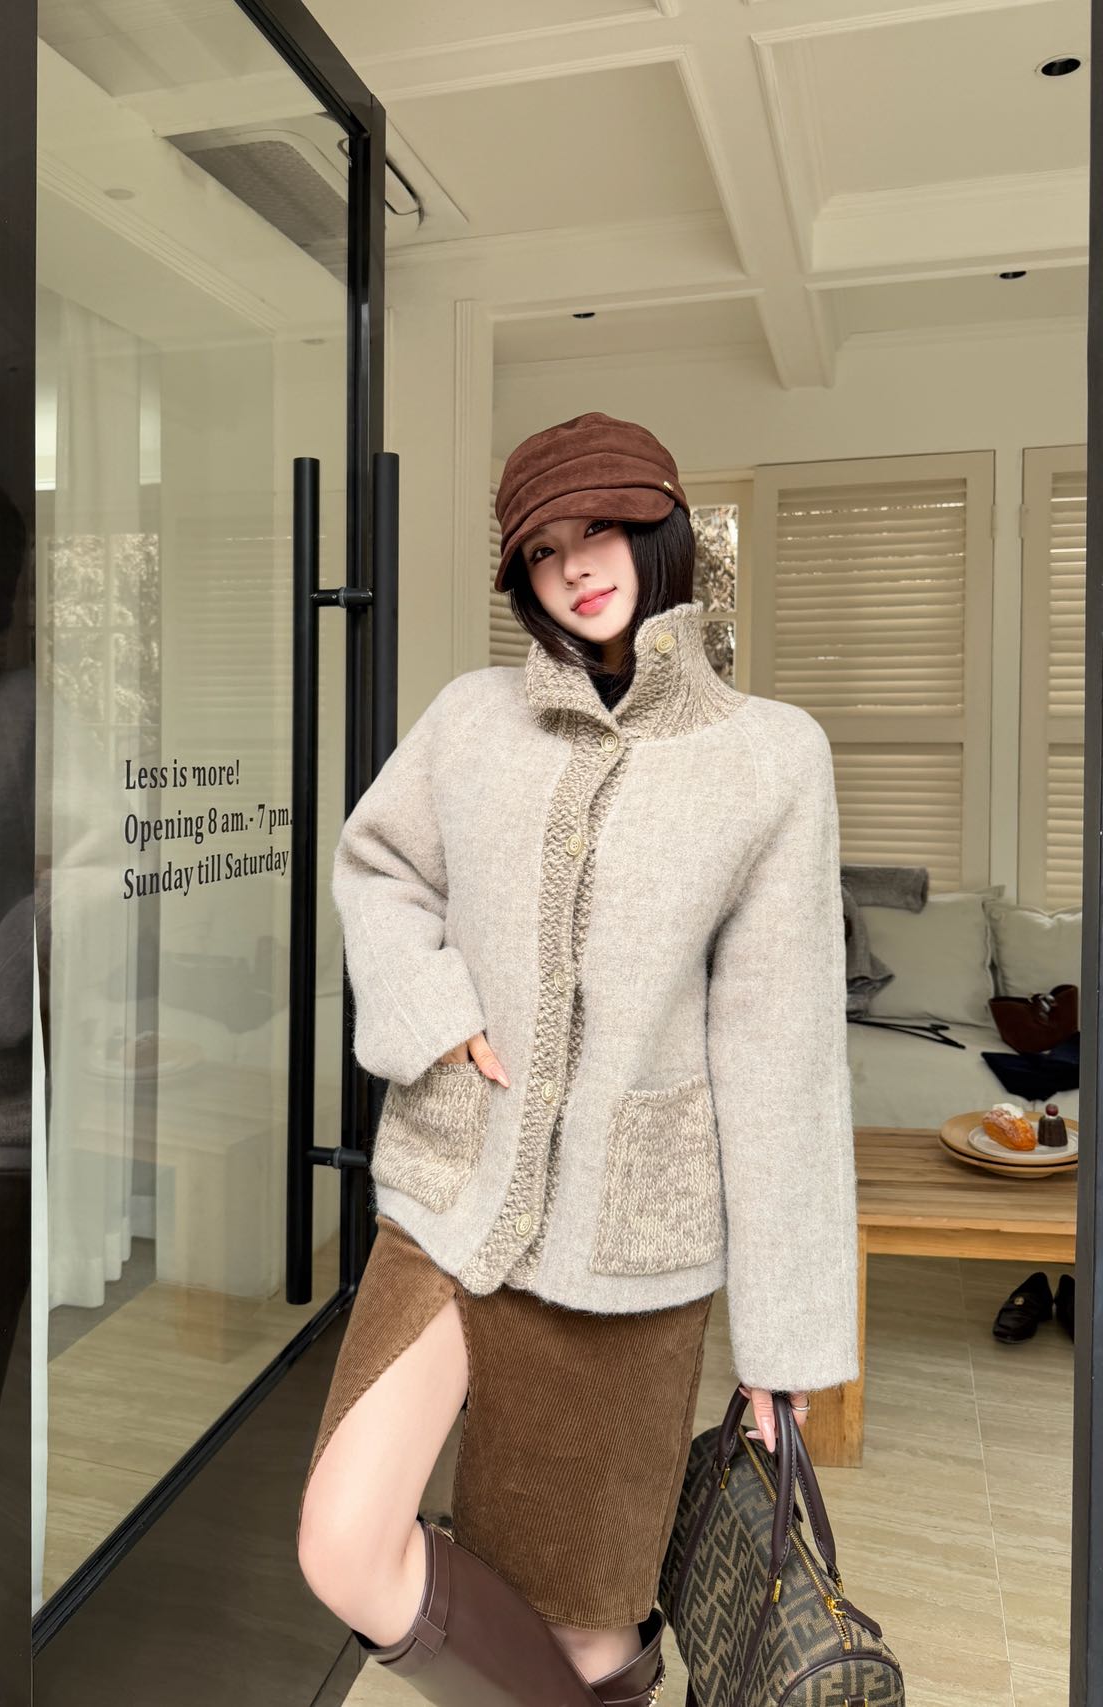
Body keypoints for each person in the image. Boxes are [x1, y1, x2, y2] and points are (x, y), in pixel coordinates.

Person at [296, 411, 861, 1706]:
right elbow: (378, 868)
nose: (575, 565)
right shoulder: (470, 720)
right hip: (451, 1196)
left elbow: (780, 1060)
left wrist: (781, 1344)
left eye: (602, 526)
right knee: (345, 1542)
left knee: (588, 1638)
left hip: (628, 1245)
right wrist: (434, 1007)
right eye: (543, 548)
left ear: (663, 529)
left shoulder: (772, 758)